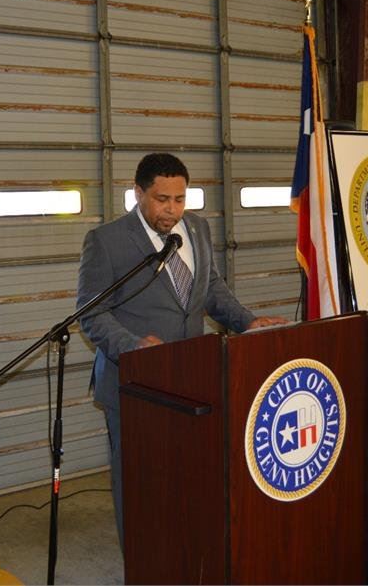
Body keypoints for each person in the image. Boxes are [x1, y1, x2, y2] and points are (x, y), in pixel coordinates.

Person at [76, 152, 287, 545]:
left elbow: (211, 289)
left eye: (179, 199)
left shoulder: (197, 228)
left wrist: (247, 321)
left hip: (191, 381)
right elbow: (91, 313)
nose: (172, 210)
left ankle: (182, 555)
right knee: (140, 486)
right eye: (161, 199)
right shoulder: (106, 241)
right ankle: (143, 563)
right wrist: (134, 346)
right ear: (137, 193)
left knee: (187, 478)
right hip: (135, 384)